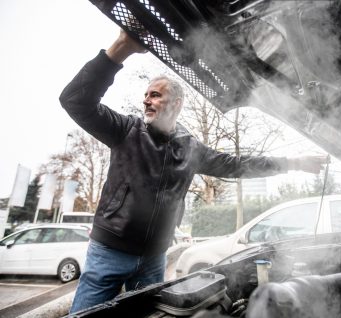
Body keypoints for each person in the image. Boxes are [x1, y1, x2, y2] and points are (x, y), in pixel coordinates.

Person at [60, 29, 327, 314]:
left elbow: (238, 164)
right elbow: (75, 100)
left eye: (155, 95)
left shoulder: (191, 148)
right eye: (145, 96)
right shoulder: (126, 130)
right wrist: (120, 49)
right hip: (110, 253)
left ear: (175, 104)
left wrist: (293, 164)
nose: (146, 101)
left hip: (154, 258)